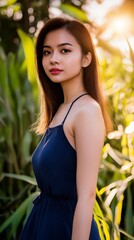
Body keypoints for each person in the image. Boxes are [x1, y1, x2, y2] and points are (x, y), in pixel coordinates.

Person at [19, 17, 112, 240]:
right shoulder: (61, 109)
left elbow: (87, 196)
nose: (54, 59)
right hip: (43, 224)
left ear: (86, 58)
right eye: (47, 52)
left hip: (68, 228)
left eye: (65, 50)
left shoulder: (87, 111)